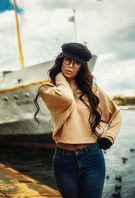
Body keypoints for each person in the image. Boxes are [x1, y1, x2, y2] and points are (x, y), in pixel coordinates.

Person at [34, 42, 122, 198]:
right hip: (64, 160)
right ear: (61, 60)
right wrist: (60, 76)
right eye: (68, 60)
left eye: (77, 63)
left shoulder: (91, 89)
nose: (71, 66)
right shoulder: (47, 89)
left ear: (82, 67)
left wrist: (108, 136)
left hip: (92, 157)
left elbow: (115, 113)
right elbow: (66, 98)